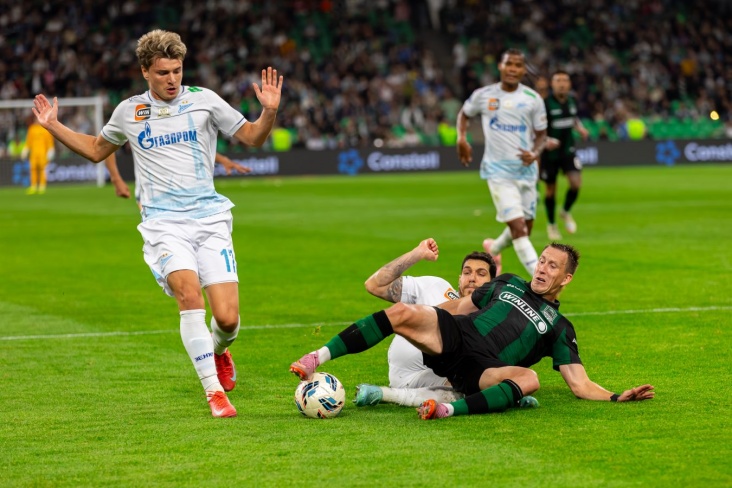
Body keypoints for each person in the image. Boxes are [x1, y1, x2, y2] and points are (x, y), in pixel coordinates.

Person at [32, 29, 283, 418]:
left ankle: (219, 350)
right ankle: (214, 393)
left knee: (228, 319)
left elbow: (252, 137)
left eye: (177, 71)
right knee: (189, 297)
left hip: (210, 218)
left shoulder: (205, 101)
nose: (172, 80)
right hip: (163, 223)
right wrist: (53, 125)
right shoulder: (129, 111)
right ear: (145, 71)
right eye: (163, 72)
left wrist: (268, 112)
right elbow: (97, 150)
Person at [290, 243, 655, 420]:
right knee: (400, 312)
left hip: (483, 367)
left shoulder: (560, 327)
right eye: (542, 261)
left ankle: (448, 410)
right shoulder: (508, 281)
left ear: (566, 278)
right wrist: (423, 318)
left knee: (530, 378)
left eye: (552, 266)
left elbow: (579, 383)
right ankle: (316, 358)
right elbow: (458, 308)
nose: (542, 269)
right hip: (459, 335)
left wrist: (615, 397)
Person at [354, 238, 503, 408]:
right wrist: (417, 253)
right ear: (459, 278)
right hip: (402, 374)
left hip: (441, 379)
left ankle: (383, 394)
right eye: (467, 272)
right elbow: (374, 285)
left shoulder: (490, 319)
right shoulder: (436, 287)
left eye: (481, 274)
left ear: (492, 284)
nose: (472, 278)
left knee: (477, 380)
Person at [456, 48, 548, 277]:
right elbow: (464, 113)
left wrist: (535, 152)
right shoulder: (484, 95)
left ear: (523, 70)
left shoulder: (532, 99)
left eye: (518, 65)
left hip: (526, 171)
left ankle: (494, 249)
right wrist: (461, 138)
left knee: (526, 227)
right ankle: (543, 283)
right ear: (500, 66)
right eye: (509, 64)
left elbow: (541, 134)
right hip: (498, 172)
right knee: (519, 229)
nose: (513, 69)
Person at [541, 70, 589, 240]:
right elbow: (536, 127)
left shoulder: (571, 101)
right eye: (558, 80)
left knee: (576, 184)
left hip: (568, 150)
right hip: (550, 153)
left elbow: (573, 118)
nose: (562, 84)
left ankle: (565, 211)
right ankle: (551, 224)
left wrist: (580, 128)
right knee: (550, 191)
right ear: (552, 84)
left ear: (569, 84)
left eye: (565, 80)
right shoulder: (545, 104)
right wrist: (546, 140)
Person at [22, 115, 55, 194]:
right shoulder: (32, 129)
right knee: (33, 169)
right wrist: (26, 150)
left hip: (42, 153)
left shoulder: (45, 129)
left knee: (42, 169)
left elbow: (49, 142)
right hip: (34, 153)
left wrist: (51, 150)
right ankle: (33, 186)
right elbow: (29, 141)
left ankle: (42, 186)